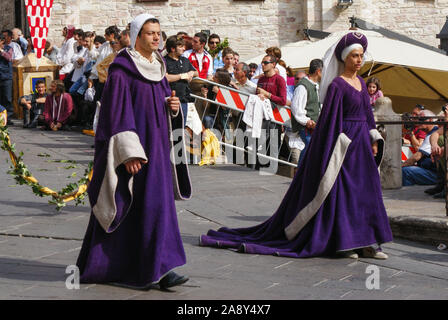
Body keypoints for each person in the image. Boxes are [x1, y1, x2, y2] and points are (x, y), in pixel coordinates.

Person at [200, 32, 392, 260]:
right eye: (354, 56)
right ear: (345, 58)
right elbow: (331, 120)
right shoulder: (338, 86)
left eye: (361, 56)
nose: (359, 60)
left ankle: (368, 242)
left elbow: (367, 115)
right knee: (345, 193)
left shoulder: (361, 83)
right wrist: (333, 147)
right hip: (344, 146)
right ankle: (346, 242)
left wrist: (373, 140)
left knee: (365, 192)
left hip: (361, 144)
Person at [76, 14, 192, 290]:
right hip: (136, 153)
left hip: (158, 150)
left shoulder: (158, 67)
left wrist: (172, 107)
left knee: (157, 206)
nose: (156, 38)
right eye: (151, 33)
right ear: (137, 36)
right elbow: (117, 113)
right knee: (132, 207)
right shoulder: (122, 70)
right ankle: (118, 265)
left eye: (159, 33)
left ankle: (160, 267)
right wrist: (128, 153)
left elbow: (161, 101)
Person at [287, 59, 323, 168]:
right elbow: (296, 108)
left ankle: (303, 173)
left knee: (313, 148)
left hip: (313, 125)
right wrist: (307, 121)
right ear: (318, 71)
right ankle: (300, 173)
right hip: (305, 126)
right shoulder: (302, 86)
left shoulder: (315, 85)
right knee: (311, 147)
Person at [165, 35, 198, 126]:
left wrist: (191, 73)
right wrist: (181, 76)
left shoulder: (185, 60)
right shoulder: (164, 61)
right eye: (180, 46)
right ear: (172, 48)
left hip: (183, 100)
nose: (184, 48)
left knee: (180, 129)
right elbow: (166, 78)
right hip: (170, 101)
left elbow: (196, 73)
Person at [402, 109, 439, 186]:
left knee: (405, 171)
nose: (418, 122)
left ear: (430, 120)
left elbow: (417, 156)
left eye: (421, 119)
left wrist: (401, 166)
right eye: (418, 120)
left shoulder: (433, 134)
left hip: (435, 174)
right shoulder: (431, 133)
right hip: (430, 170)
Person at [0, 33, 14, 125]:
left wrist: (1, 51)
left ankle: (8, 117)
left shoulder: (8, 49)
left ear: (2, 41)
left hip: (6, 77)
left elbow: (9, 58)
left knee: (7, 98)